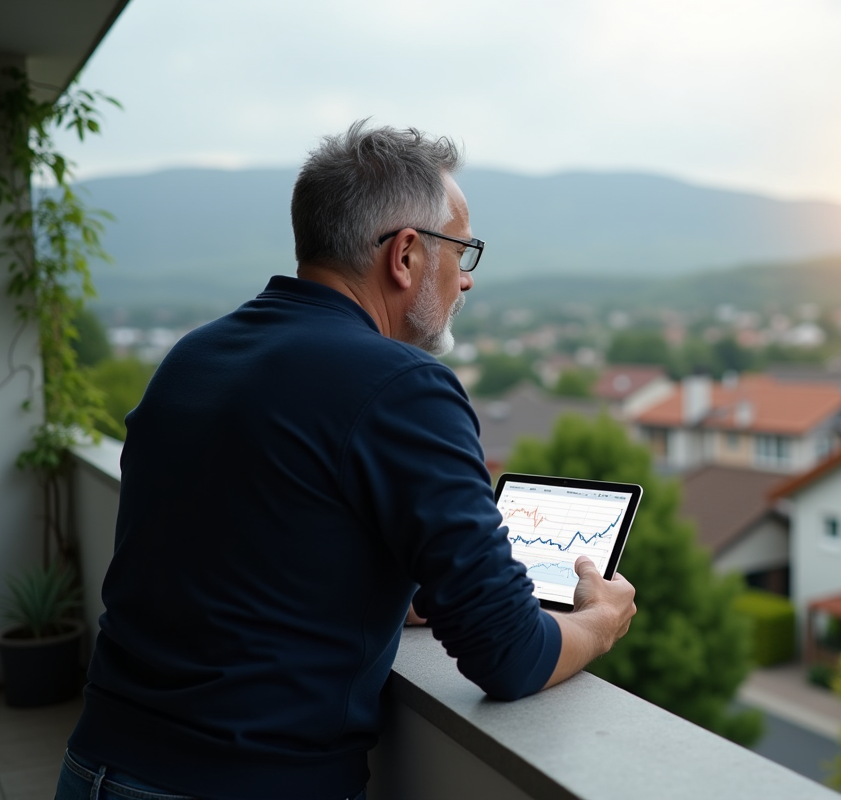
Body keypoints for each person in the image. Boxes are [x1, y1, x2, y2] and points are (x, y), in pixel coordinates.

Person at [57, 121, 637, 800]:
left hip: (94, 766)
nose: (468, 281)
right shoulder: (402, 387)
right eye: (463, 251)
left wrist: (395, 594)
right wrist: (600, 619)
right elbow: (508, 656)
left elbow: (243, 551)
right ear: (407, 255)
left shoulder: (195, 356)